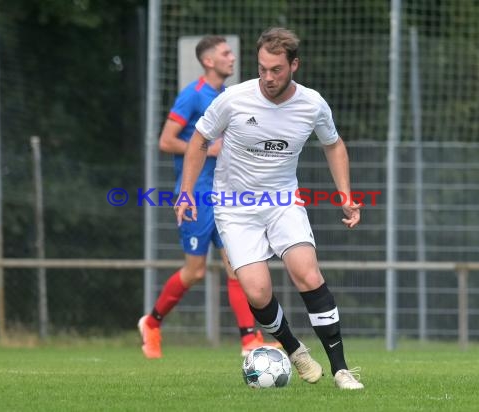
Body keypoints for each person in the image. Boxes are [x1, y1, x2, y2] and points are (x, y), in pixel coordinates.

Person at [175, 27, 364, 390]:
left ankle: (341, 370)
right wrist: (185, 193)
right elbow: (199, 140)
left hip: (282, 200)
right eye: (262, 68)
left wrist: (345, 194)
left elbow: (334, 144)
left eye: (276, 69)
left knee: (307, 273)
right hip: (234, 205)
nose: (267, 77)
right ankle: (294, 349)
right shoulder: (233, 99)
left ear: (294, 65)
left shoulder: (311, 104)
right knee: (257, 292)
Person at [138, 35, 281, 359]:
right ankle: (152, 322)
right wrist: (210, 148)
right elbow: (165, 140)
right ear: (208, 61)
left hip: (224, 194)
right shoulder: (193, 95)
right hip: (197, 195)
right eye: (225, 53)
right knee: (196, 271)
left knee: (236, 266)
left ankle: (249, 340)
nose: (232, 58)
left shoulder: (228, 96)